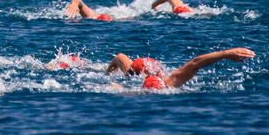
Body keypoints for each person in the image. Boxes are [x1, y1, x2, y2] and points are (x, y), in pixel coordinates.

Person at [104, 48, 255, 90]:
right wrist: (226, 54)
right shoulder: (169, 82)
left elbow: (196, 62)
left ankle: (106, 72)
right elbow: (196, 63)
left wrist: (107, 76)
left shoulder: (134, 90)